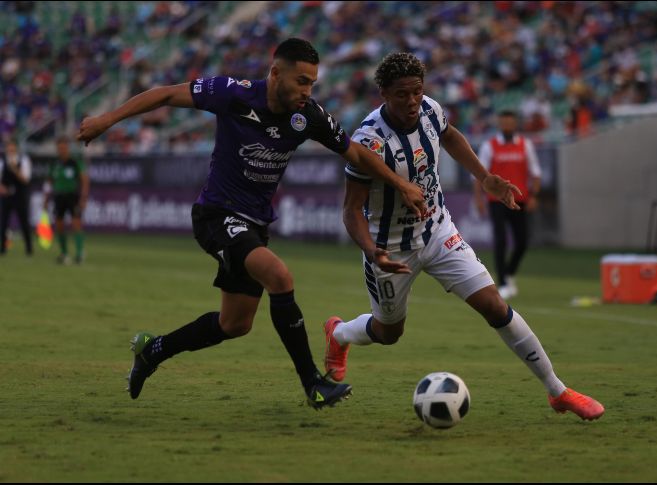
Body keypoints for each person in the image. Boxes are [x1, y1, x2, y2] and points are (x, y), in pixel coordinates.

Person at [77, 38, 427, 409]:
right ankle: (313, 384)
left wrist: (400, 183)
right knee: (280, 277)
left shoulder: (308, 116)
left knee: (235, 324)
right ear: (275, 73)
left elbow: (355, 152)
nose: (307, 91)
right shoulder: (233, 94)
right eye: (301, 81)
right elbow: (165, 95)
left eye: (312, 83)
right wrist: (106, 120)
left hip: (255, 224)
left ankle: (153, 350)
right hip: (217, 214)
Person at [324, 52, 604, 421]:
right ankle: (340, 334)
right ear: (384, 94)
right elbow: (350, 211)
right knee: (389, 332)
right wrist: (373, 252)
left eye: (417, 91)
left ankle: (558, 391)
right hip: (390, 248)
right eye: (402, 94)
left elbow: (451, 136)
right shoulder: (369, 141)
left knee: (494, 306)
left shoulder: (430, 110)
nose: (412, 101)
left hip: (438, 231)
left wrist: (484, 177)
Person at [473, 110, 542, 298]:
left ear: (515, 124)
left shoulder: (525, 145)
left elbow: (535, 173)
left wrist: (534, 196)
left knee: (522, 241)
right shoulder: (489, 146)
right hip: (497, 201)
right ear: (499, 124)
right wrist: (478, 199)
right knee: (501, 240)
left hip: (520, 200)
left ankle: (510, 272)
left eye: (510, 122)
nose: (507, 126)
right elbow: (479, 175)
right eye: (503, 122)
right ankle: (503, 282)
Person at [43, 136, 90, 264]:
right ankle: (64, 253)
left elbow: (84, 180)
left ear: (68, 148)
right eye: (59, 148)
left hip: (72, 196)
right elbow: (49, 182)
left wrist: (84, 198)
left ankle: (79, 253)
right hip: (58, 196)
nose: (61, 150)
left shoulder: (74, 162)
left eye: (64, 147)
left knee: (76, 223)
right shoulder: (54, 164)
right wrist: (46, 198)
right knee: (59, 224)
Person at [0, 139, 33, 256]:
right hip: (6, 196)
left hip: (20, 195)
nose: (10, 149)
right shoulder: (2, 161)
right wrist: (2, 188)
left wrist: (15, 169)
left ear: (16, 148)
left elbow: (26, 179)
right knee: (3, 222)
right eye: (9, 146)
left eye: (12, 146)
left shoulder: (23, 160)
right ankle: (2, 248)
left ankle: (29, 248)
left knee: (24, 222)